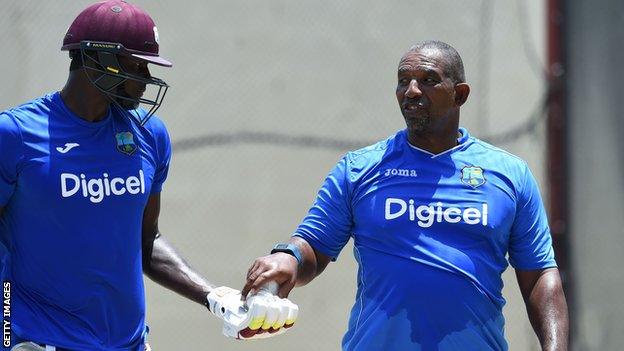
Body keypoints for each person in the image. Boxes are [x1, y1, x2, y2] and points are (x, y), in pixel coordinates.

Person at [0, 1, 296, 350]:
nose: (146, 79)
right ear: (98, 59)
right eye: (136, 66)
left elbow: (146, 240)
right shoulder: (14, 135)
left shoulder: (149, 134)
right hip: (40, 342)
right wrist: (7, 329)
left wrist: (215, 296)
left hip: (130, 344)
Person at [243, 40, 569, 350]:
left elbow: (539, 274)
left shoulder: (509, 174)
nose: (412, 91)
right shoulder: (359, 169)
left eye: (428, 80)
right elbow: (313, 248)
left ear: (460, 95)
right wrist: (288, 257)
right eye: (403, 81)